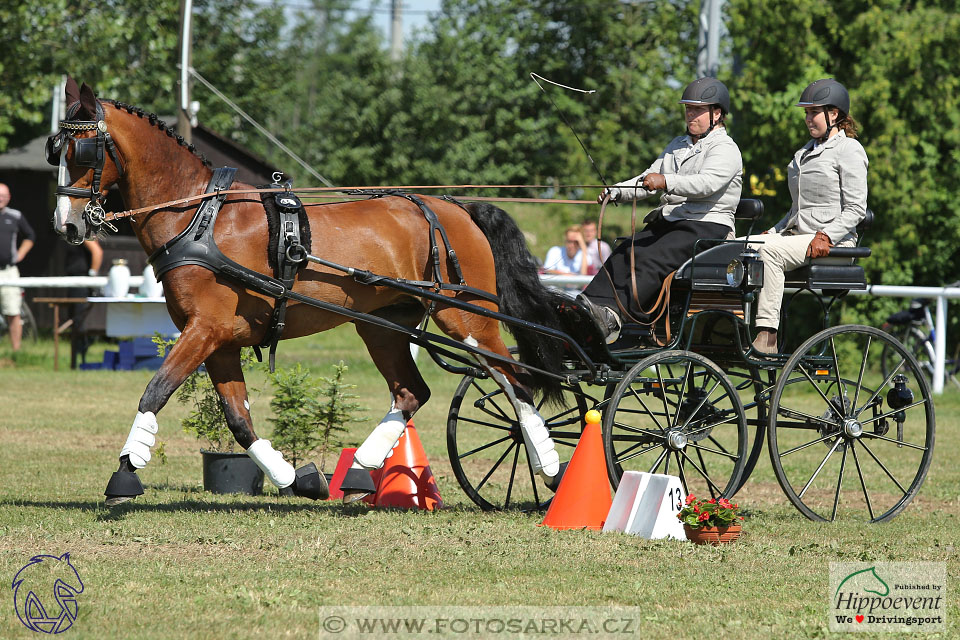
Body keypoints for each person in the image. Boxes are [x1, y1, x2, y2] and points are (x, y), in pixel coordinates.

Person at [579, 77, 743, 343]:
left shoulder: (726, 148)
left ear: (717, 113)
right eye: (688, 109)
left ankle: (614, 316)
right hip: (675, 222)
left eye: (697, 109)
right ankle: (589, 308)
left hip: (707, 225)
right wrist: (617, 191)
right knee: (626, 248)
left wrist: (667, 181)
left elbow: (708, 183)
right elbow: (648, 178)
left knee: (653, 256)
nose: (691, 114)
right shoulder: (678, 144)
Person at [751, 79, 868, 354]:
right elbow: (798, 209)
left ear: (834, 114)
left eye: (813, 112)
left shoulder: (849, 150)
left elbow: (856, 209)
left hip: (834, 244)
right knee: (740, 246)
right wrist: (775, 230)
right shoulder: (803, 153)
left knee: (770, 253)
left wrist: (826, 235)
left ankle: (766, 335)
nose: (807, 119)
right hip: (798, 238)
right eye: (806, 113)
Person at [0, 183, 36, 352]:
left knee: (13, 311)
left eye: (4, 196)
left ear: (8, 198)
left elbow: (30, 236)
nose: (1, 199)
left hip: (8, 271)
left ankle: (16, 353)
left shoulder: (15, 216)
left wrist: (19, 254)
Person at [64, 238, 103, 367]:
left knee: (79, 322)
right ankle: (78, 358)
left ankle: (78, 359)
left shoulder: (82, 234)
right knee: (76, 321)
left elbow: (97, 252)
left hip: (81, 281)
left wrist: (92, 276)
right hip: (76, 281)